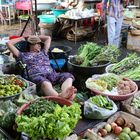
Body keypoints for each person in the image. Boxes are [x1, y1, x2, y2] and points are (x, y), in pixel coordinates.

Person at [6, 35, 77, 100]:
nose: (39, 45)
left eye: (40, 44)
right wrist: (23, 38)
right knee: (45, 83)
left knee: (68, 76)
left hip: (52, 74)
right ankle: (58, 97)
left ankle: (66, 93)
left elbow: (48, 38)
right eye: (37, 44)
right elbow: (9, 43)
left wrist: (34, 36)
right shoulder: (22, 55)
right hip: (37, 76)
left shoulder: (44, 52)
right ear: (30, 45)